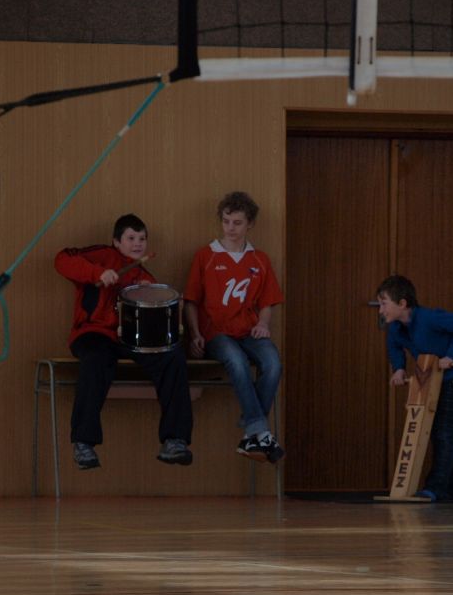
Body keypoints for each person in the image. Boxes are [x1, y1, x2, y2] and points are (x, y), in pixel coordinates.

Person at [54, 213, 193, 469]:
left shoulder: (146, 278)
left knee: (173, 358)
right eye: (131, 238)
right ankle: (83, 443)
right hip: (94, 332)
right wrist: (97, 273)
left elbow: (153, 325)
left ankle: (175, 440)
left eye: (142, 238)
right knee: (95, 359)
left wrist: (150, 296)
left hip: (132, 341)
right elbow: (62, 260)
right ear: (116, 241)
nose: (138, 243)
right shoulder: (100, 255)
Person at [183, 192, 285, 463]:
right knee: (237, 361)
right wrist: (195, 334)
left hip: (248, 330)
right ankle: (260, 432)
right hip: (216, 332)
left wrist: (263, 324)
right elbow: (191, 301)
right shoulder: (205, 256)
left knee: (273, 362)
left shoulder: (259, 259)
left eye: (237, 223)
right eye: (226, 221)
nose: (230, 228)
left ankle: (253, 433)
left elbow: (267, 302)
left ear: (249, 224)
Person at [376, 275, 453, 501]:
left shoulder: (430, 318)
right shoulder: (396, 328)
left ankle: (436, 488)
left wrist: (452, 356)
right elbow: (394, 347)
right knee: (442, 431)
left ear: (402, 303)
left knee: (445, 432)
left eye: (384, 304)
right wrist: (399, 369)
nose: (381, 310)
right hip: (432, 378)